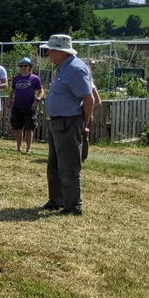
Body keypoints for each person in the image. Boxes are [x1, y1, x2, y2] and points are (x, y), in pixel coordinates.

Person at [40, 34, 94, 215]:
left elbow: (88, 98)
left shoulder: (76, 69)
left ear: (60, 51)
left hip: (69, 122)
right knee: (54, 164)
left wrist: (84, 122)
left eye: (50, 50)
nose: (48, 53)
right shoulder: (63, 67)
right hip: (57, 122)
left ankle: (73, 206)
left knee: (69, 166)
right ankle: (56, 200)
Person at [10, 57, 45, 154]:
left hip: (29, 107)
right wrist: (10, 99)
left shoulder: (34, 78)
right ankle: (18, 147)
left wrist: (37, 100)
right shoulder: (16, 78)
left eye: (26, 65)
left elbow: (41, 91)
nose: (23, 67)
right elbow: (12, 90)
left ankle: (28, 148)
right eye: (21, 66)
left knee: (29, 128)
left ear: (29, 67)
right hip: (17, 106)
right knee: (18, 128)